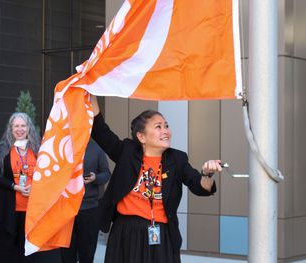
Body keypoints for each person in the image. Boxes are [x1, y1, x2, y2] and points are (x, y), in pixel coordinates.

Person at [90, 95, 221, 263]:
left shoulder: (177, 159)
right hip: (126, 233)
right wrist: (90, 91)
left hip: (162, 235)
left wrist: (207, 173)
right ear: (141, 137)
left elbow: (199, 186)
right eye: (158, 127)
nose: (165, 131)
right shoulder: (127, 152)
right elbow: (100, 130)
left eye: (166, 126)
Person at [0, 112, 61, 263]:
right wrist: (15, 187)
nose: (20, 129)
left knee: (27, 248)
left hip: (31, 208)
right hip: (8, 207)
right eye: (16, 126)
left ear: (29, 128)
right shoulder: (3, 148)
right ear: (10, 128)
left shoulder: (37, 148)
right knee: (7, 246)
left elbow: (45, 174)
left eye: (23, 125)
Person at [61, 139, 111, 263]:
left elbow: (106, 173)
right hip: (66, 207)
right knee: (66, 253)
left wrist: (96, 178)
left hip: (90, 208)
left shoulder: (96, 147)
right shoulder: (63, 144)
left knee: (87, 253)